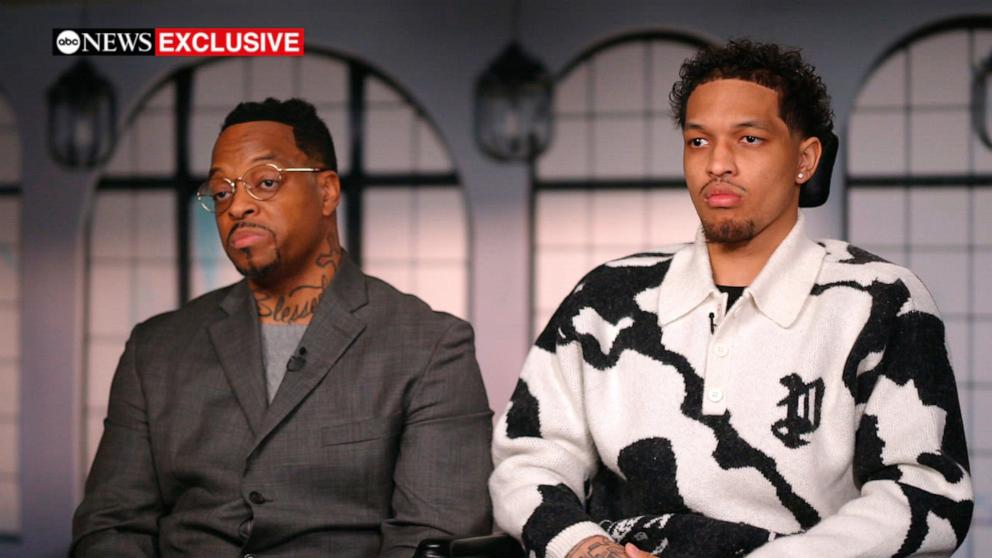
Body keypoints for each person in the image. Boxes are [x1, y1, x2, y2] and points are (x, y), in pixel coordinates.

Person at [490, 40, 973, 558]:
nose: (718, 163)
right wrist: (586, 548)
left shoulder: (878, 302)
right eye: (698, 141)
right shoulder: (605, 298)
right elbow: (529, 457)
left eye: (749, 138)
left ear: (805, 159)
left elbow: (926, 492)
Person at [72, 98, 493, 557]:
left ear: (327, 192)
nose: (237, 207)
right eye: (221, 191)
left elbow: (431, 538)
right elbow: (111, 527)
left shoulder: (428, 345)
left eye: (265, 182)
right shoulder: (154, 350)